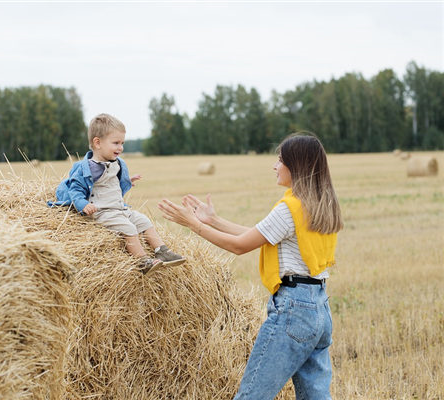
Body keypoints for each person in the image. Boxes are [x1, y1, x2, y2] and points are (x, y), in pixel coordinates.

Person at [158, 133, 343, 399]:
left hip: (293, 311)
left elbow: (239, 246)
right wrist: (213, 220)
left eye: (280, 160)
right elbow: (260, 235)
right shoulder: (320, 205)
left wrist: (193, 224)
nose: (274, 166)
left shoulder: (288, 207)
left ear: (295, 165)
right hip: (320, 310)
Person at [52, 113, 185, 274]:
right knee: (129, 228)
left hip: (120, 209)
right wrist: (83, 205)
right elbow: (75, 189)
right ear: (97, 142)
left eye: (122, 143)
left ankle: (162, 250)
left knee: (144, 221)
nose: (120, 147)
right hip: (103, 212)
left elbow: (110, 181)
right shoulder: (86, 168)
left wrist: (127, 180)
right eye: (116, 143)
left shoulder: (116, 163)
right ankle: (142, 261)